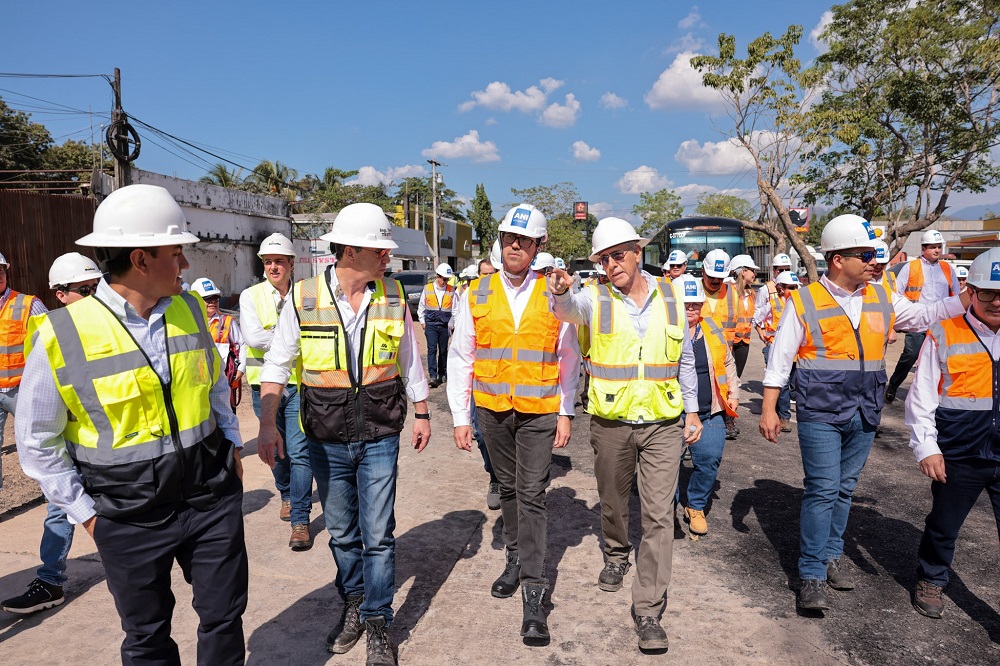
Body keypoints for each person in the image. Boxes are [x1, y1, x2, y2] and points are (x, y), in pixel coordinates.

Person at [16, 184, 247, 663]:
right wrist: (86, 514)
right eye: (176, 253)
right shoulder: (63, 332)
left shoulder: (187, 310)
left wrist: (233, 447)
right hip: (126, 512)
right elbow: (38, 440)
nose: (184, 265)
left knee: (224, 618)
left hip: (209, 495)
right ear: (141, 259)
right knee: (147, 637)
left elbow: (215, 388)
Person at [760, 214, 970, 613]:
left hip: (865, 411)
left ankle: (832, 556)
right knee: (822, 488)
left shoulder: (881, 295)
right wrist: (770, 408)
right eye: (866, 254)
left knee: (844, 488)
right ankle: (811, 574)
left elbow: (924, 315)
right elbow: (779, 360)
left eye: (875, 255)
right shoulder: (804, 301)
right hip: (821, 411)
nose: (875, 261)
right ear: (838, 259)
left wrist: (969, 297)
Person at [257, 202, 430, 665]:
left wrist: (423, 410)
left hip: (379, 431)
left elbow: (409, 356)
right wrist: (266, 422)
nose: (387, 256)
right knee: (341, 532)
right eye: (380, 248)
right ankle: (353, 601)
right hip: (326, 434)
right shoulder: (304, 296)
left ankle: (377, 621)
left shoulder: (393, 294)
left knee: (378, 533)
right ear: (351, 250)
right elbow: (276, 363)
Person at [548, 217, 701, 652]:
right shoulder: (594, 299)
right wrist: (559, 290)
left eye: (618, 255)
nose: (612, 264)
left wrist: (693, 411)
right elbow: (566, 310)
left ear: (637, 251)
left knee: (658, 515)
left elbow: (685, 359)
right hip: (611, 424)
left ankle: (648, 608)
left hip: (663, 425)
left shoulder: (670, 298)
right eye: (604, 258)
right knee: (613, 501)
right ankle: (616, 555)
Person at [448, 203, 579, 644]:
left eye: (524, 241)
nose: (515, 247)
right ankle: (515, 560)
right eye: (509, 239)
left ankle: (536, 594)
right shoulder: (477, 292)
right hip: (492, 410)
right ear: (501, 242)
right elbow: (462, 355)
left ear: (538, 246)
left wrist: (566, 410)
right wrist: (461, 417)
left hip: (539, 410)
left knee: (532, 494)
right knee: (507, 489)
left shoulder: (553, 293)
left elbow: (568, 355)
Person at [905, 247, 1000, 620]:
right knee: (944, 526)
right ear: (970, 292)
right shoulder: (944, 332)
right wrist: (927, 448)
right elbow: (922, 397)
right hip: (959, 452)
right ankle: (931, 578)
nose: (997, 302)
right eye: (989, 293)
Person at [0, 253, 95, 615]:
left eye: (96, 287)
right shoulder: (54, 329)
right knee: (59, 500)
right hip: (58, 424)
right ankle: (50, 579)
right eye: (83, 290)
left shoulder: (30, 308)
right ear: (60, 294)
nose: (92, 296)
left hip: (104, 444)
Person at [240, 232, 314, 550]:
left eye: (279, 261)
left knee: (300, 451)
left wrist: (282, 336)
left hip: (299, 384)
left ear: (291, 264)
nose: (273, 267)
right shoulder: (250, 296)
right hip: (264, 387)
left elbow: (314, 336)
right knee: (275, 449)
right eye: (268, 262)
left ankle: (300, 519)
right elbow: (253, 339)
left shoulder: (306, 295)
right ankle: (285, 492)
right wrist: (289, 339)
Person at [674, 275, 738, 537]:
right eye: (685, 304)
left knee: (710, 460)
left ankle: (696, 506)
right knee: (667, 465)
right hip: (671, 413)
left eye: (695, 304)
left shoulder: (711, 328)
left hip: (709, 410)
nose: (691, 309)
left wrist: (733, 392)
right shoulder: (662, 329)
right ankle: (666, 508)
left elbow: (728, 363)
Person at [885, 229, 959, 404]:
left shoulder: (948, 269)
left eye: (938, 247)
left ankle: (937, 395)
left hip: (941, 323)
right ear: (923, 248)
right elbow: (898, 293)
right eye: (932, 247)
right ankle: (893, 386)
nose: (937, 250)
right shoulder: (911, 267)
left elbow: (955, 294)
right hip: (917, 321)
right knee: (911, 355)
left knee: (941, 359)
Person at [0, 250, 49, 499]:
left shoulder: (28, 304)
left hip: (23, 389)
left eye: (0, 271)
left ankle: (54, 492)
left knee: (39, 443)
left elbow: (52, 341)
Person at [700, 249, 741, 440]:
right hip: (700, 350)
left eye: (720, 278)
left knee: (725, 386)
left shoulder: (731, 293)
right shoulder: (693, 291)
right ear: (702, 272)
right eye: (712, 277)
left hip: (724, 353)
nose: (716, 281)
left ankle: (726, 418)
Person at [753, 270, 800, 433]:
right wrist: (763, 336)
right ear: (780, 288)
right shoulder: (771, 304)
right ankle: (785, 417)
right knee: (784, 384)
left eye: (795, 287)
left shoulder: (799, 303)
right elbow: (756, 319)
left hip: (796, 352)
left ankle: (785, 410)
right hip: (775, 348)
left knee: (794, 384)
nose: (793, 291)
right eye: (790, 288)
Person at [192, 277, 244, 412]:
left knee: (225, 417)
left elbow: (241, 344)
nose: (212, 303)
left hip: (223, 380)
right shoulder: (190, 323)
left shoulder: (227, 321)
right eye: (208, 299)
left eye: (215, 299)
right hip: (197, 382)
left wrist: (240, 369)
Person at [418, 263, 456, 388]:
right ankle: (433, 376)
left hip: (445, 326)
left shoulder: (451, 290)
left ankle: (442, 373)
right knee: (432, 349)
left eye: (447, 279)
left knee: (443, 350)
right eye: (444, 279)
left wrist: (453, 324)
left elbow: (455, 310)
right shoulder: (427, 288)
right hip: (431, 325)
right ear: (438, 277)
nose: (445, 282)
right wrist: (423, 322)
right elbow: (421, 307)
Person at [727, 254, 759, 379]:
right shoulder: (728, 289)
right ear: (743, 271)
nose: (754, 274)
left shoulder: (751, 293)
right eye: (753, 270)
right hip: (729, 340)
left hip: (744, 342)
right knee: (728, 377)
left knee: (736, 377)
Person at [754, 252, 793, 322]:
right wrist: (762, 331)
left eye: (787, 270)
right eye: (781, 270)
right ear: (774, 270)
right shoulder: (765, 289)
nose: (784, 272)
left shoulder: (796, 287)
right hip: (772, 331)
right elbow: (757, 314)